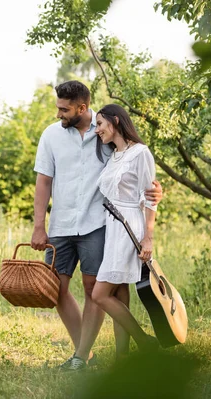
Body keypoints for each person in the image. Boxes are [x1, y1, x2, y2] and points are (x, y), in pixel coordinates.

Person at [31, 81, 162, 371]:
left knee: (94, 289)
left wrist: (155, 191)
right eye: (58, 108)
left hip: (98, 224)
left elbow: (137, 174)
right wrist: (39, 225)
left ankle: (80, 356)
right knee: (56, 289)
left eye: (64, 110)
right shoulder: (51, 136)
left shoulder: (104, 132)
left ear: (82, 107)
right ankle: (85, 352)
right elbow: (43, 182)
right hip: (61, 224)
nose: (58, 115)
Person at [88, 104, 160, 358]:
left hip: (129, 224)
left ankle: (144, 340)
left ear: (115, 121)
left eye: (99, 124)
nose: (96, 130)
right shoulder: (114, 156)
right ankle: (122, 356)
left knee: (99, 293)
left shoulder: (140, 153)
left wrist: (148, 237)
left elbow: (150, 197)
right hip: (112, 226)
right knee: (118, 292)